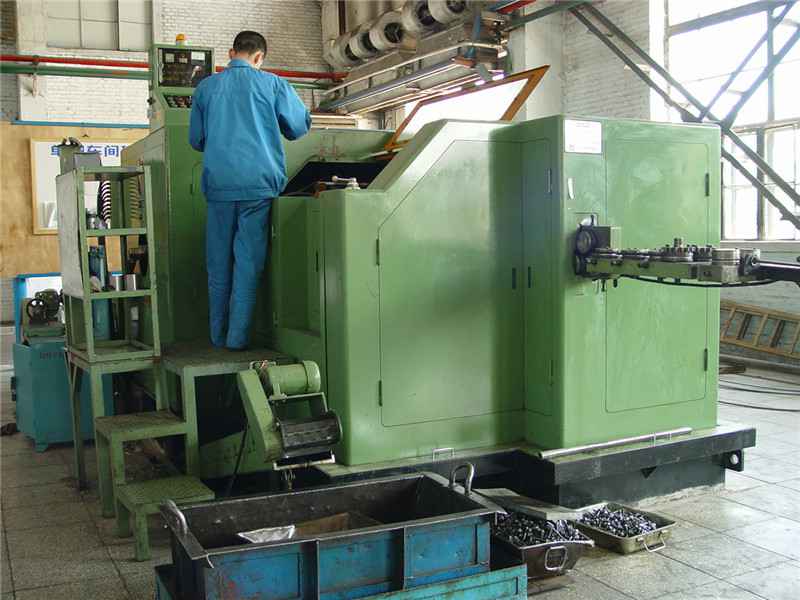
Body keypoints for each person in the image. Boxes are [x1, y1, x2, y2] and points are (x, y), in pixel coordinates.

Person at [189, 31, 311, 350]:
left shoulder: (206, 88)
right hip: (258, 187)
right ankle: (236, 339)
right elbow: (298, 128)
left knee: (218, 264)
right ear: (259, 58)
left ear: (231, 54)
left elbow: (196, 140)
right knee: (247, 264)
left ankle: (217, 336)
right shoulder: (273, 84)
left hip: (220, 185)